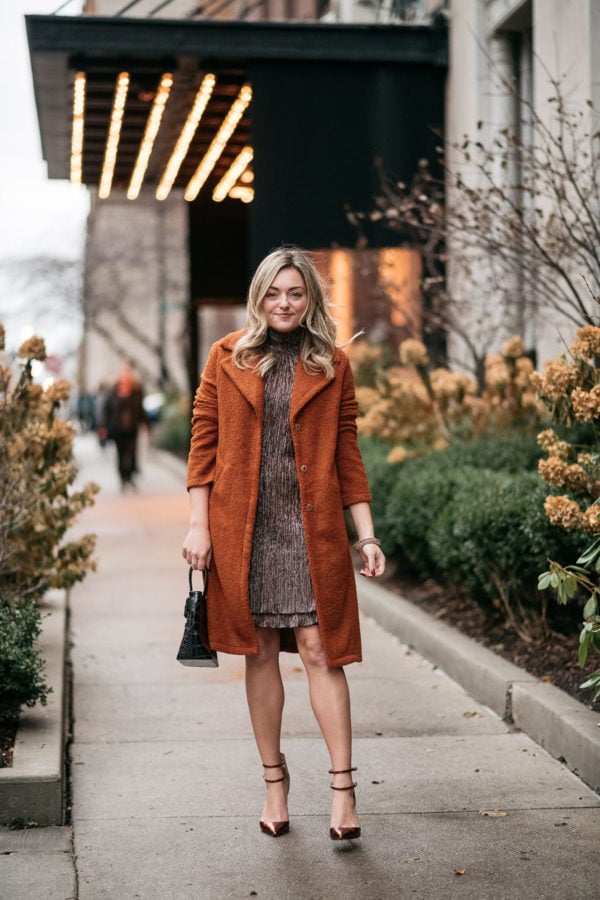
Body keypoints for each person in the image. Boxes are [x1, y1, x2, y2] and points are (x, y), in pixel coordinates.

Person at [182, 247, 385, 842]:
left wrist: (366, 535)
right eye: (274, 293)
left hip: (310, 529)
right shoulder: (227, 357)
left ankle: (343, 791)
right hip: (244, 529)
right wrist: (198, 524)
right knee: (260, 650)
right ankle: (275, 782)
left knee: (322, 651)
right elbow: (204, 444)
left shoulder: (332, 364)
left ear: (310, 298)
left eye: (295, 293)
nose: (285, 303)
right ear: (258, 297)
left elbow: (348, 453)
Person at [101, 362, 148, 490]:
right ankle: (123, 478)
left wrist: (147, 426)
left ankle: (131, 476)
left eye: (127, 380)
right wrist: (103, 427)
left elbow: (141, 411)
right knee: (121, 454)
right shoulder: (113, 394)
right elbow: (106, 410)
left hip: (132, 428)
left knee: (132, 453)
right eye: (123, 380)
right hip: (118, 428)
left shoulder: (136, 393)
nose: (124, 382)